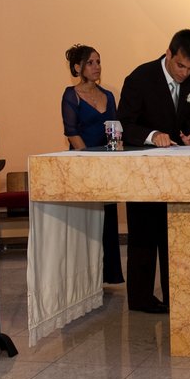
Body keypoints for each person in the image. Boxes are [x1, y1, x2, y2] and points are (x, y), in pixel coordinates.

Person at [116, 30, 190, 313]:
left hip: (177, 173)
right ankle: (141, 299)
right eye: (180, 66)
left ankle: (173, 296)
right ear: (169, 54)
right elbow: (124, 124)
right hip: (144, 171)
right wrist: (152, 135)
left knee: (172, 235)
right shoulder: (140, 78)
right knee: (144, 235)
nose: (184, 73)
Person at [61, 44, 124, 285]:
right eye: (90, 63)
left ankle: (108, 274)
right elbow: (72, 132)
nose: (96, 67)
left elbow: (114, 129)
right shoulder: (71, 95)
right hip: (83, 164)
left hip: (106, 165)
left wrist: (113, 157)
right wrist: (90, 163)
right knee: (86, 222)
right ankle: (86, 278)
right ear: (78, 68)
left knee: (107, 220)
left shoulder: (108, 95)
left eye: (98, 62)